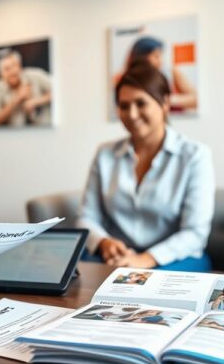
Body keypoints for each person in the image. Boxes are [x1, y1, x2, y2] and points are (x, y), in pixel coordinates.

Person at [77, 62, 215, 270]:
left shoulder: (195, 155)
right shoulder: (105, 154)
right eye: (124, 106)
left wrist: (146, 259)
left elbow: (195, 233)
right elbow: (87, 218)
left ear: (165, 103)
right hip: (118, 257)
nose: (132, 114)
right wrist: (104, 242)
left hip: (172, 258)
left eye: (141, 103)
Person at [114, 36, 198, 111]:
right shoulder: (122, 79)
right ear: (141, 57)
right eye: (156, 56)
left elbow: (197, 99)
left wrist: (167, 100)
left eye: (160, 56)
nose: (161, 61)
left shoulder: (172, 73)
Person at [0, 49, 52, 127]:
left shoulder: (35, 75)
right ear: (1, 74)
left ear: (20, 66)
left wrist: (36, 101)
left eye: (14, 65)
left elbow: (61, 90)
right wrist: (16, 99)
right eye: (7, 69)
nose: (13, 71)